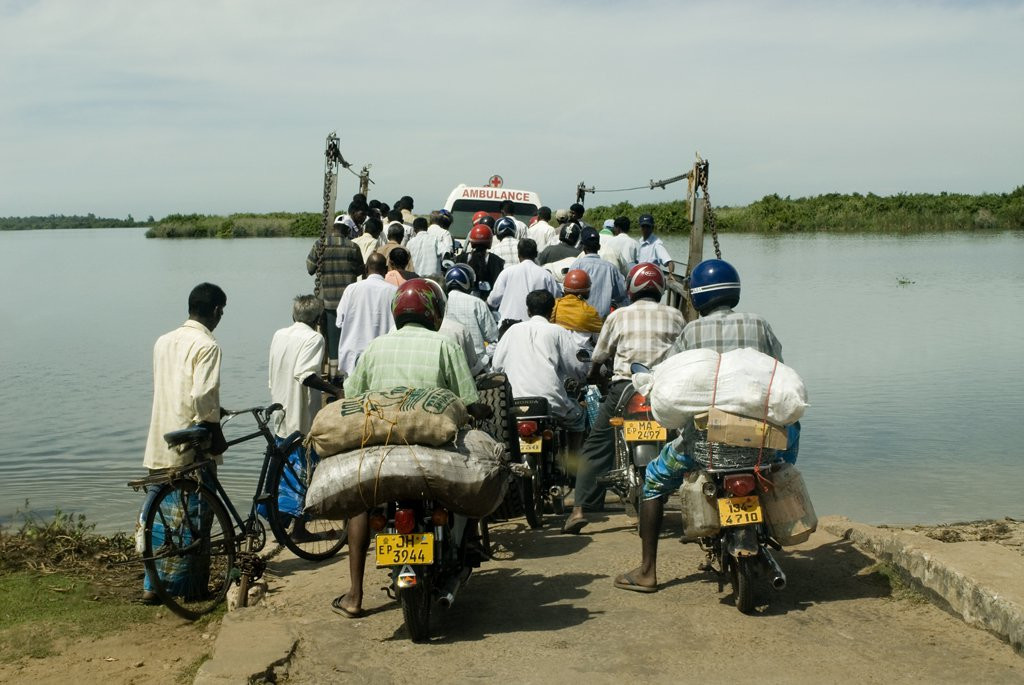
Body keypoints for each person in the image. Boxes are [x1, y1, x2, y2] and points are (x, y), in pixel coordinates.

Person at [614, 259, 787, 593]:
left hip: (705, 442)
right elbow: (778, 370)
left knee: (653, 480)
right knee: (783, 461)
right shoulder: (760, 324)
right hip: (760, 440)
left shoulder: (692, 331)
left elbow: (673, 377)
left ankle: (647, 571)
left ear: (696, 296)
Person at [334, 279, 489, 619]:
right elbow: (468, 399)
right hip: (433, 447)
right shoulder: (444, 345)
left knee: (360, 503)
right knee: (475, 473)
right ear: (434, 312)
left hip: (382, 449)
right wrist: (478, 410)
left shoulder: (375, 348)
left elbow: (352, 397)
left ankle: (355, 595)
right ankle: (469, 540)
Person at [563, 263, 685, 535]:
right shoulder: (675, 315)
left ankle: (579, 509)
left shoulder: (618, 316)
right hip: (663, 389)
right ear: (660, 289)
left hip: (624, 388)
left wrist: (593, 375)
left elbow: (599, 355)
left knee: (596, 445)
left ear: (631, 288)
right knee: (680, 438)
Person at [140, 282, 228, 603]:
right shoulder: (207, 345)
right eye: (222, 311)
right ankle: (193, 589)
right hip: (189, 447)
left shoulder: (163, 342)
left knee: (157, 519)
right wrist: (216, 432)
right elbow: (203, 398)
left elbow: (175, 389)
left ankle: (153, 586)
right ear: (216, 310)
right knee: (197, 517)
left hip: (159, 441)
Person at [492, 290, 589, 431]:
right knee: (579, 419)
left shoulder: (512, 331)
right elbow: (577, 368)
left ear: (528, 311)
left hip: (515, 405)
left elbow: (496, 367)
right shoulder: (558, 331)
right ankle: (573, 454)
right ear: (551, 311)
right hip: (552, 405)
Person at [268, 295, 343, 438]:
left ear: (293, 316)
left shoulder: (279, 334)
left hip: (279, 409)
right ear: (319, 319)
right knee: (302, 455)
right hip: (299, 417)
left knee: (282, 452)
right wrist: (336, 391)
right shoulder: (314, 338)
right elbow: (304, 375)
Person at [306, 212, 365, 378]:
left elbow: (310, 268)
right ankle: (344, 374)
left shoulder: (320, 245)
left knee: (329, 339)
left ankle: (330, 375)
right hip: (349, 303)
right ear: (347, 230)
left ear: (333, 228)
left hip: (327, 301)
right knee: (347, 338)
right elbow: (360, 270)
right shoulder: (353, 247)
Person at [335, 253, 398, 380]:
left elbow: (339, 322)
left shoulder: (351, 289)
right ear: (386, 270)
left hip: (354, 357)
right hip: (383, 358)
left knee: (353, 397)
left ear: (365, 268)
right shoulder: (395, 291)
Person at [488, 238, 561, 326]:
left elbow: (492, 301)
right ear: (536, 254)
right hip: (537, 328)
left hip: (507, 327)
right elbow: (557, 300)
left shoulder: (507, 272)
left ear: (518, 255)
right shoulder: (546, 275)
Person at [443, 263, 499, 370]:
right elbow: (493, 338)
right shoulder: (477, 303)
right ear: (467, 282)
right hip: (476, 367)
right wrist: (483, 359)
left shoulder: (441, 300)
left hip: (447, 364)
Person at [566, 227, 628, 318]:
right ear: (599, 247)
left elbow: (568, 293)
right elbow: (622, 296)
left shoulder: (576, 266)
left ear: (583, 247)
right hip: (602, 323)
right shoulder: (611, 268)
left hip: (580, 321)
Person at [552, 269, 604, 349]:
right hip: (583, 358)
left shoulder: (554, 306)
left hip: (558, 353)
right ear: (587, 290)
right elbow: (601, 341)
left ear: (564, 289)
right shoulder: (590, 312)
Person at [455, 225, 504, 300]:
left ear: (471, 241)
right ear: (490, 241)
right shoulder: (497, 261)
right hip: (487, 303)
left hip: (464, 300)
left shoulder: (460, 259)